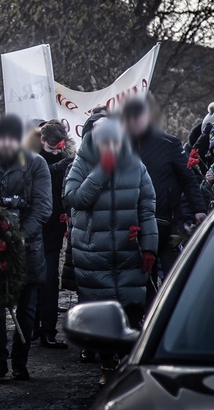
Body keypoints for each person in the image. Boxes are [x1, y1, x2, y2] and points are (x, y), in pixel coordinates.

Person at [64, 118, 158, 385]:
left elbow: (147, 207)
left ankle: (128, 363)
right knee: (101, 309)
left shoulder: (136, 165)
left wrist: (149, 246)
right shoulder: (82, 163)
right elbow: (76, 199)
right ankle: (107, 364)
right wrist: (102, 170)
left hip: (129, 250)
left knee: (130, 308)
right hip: (94, 250)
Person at [0, 115, 52, 381]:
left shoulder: (36, 164)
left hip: (27, 247)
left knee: (27, 306)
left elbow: (43, 207)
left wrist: (20, 237)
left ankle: (20, 361)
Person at [123, 97, 206, 287]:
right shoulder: (122, 146)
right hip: (136, 223)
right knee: (144, 276)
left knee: (172, 275)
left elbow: (188, 178)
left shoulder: (169, 144)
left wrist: (198, 209)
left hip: (167, 221)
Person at [26, 120, 73, 349]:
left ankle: (48, 328)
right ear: (42, 141)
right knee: (32, 277)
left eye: (59, 147)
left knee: (50, 279)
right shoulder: (32, 158)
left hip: (55, 224)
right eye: (52, 146)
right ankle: (31, 325)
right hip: (35, 224)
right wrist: (54, 168)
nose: (56, 150)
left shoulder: (67, 159)